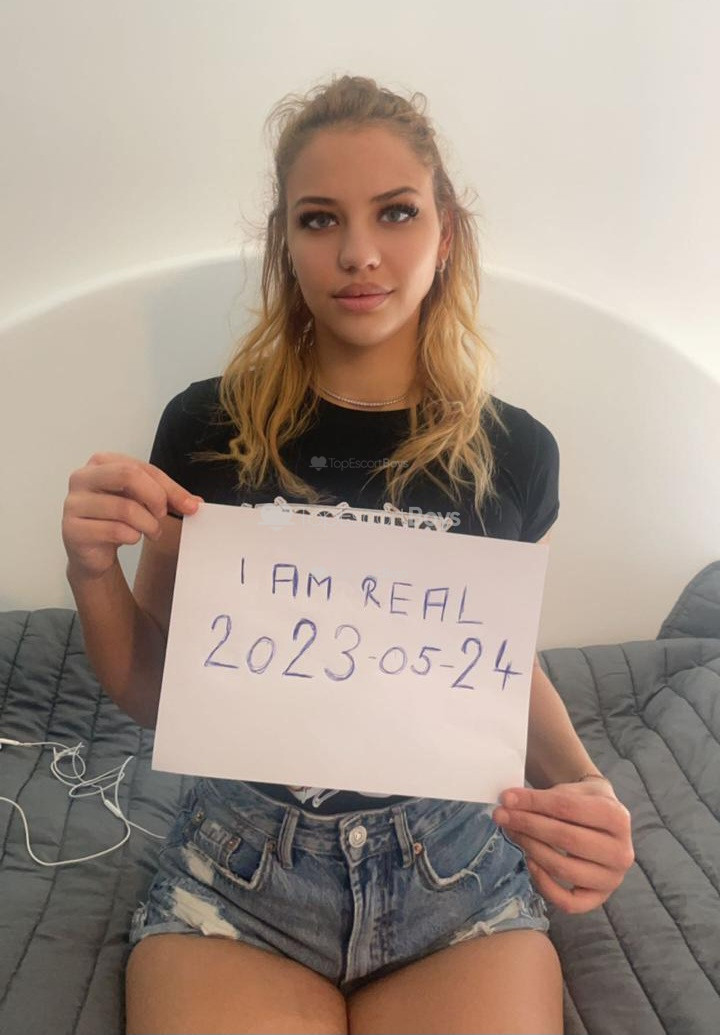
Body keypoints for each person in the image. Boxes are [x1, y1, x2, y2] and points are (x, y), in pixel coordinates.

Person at [62, 74, 634, 1035]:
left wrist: (583, 786)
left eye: (396, 212)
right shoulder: (206, 425)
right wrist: (91, 572)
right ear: (285, 244)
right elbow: (156, 689)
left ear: (446, 233)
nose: (360, 252)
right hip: (240, 874)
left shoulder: (515, 451)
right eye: (320, 219)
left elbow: (493, 665)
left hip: (454, 873)